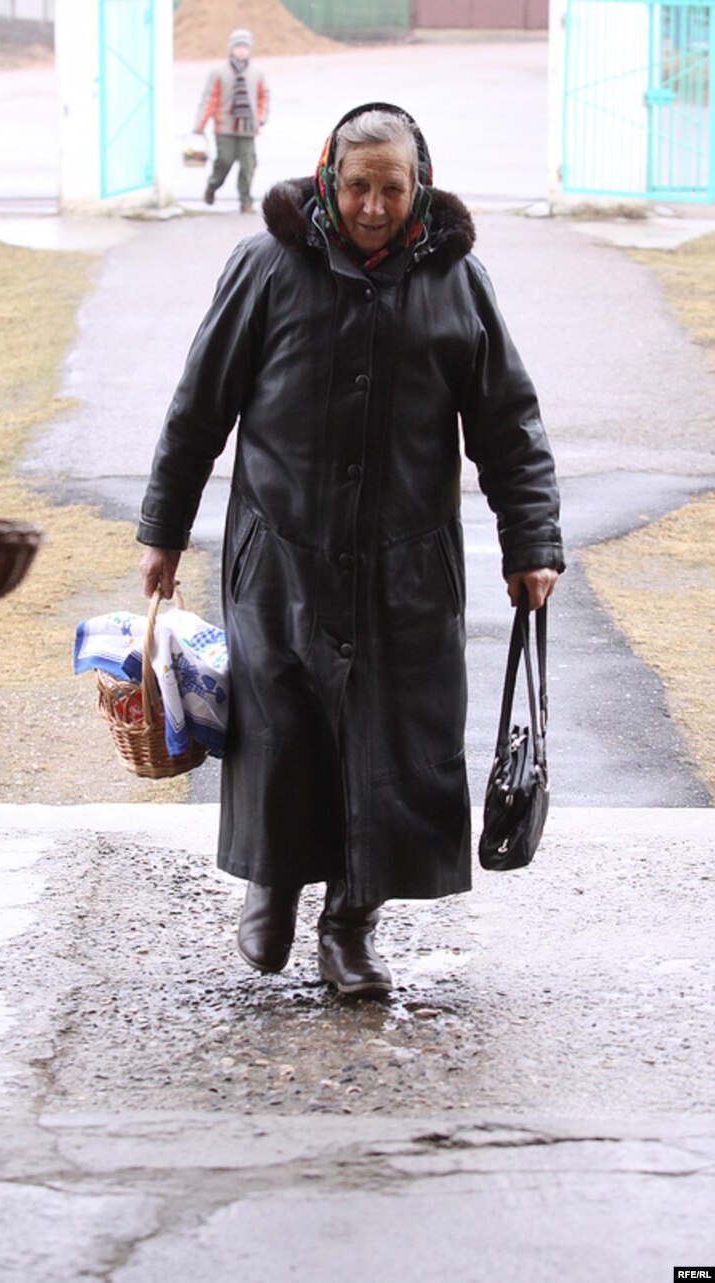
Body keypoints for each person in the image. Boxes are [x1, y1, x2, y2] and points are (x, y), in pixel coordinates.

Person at [138, 103, 564, 998]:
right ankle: (272, 884)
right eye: (358, 185)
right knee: (282, 732)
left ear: (421, 186)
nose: (373, 206)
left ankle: (351, 924)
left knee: (386, 748)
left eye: (392, 188)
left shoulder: (459, 283)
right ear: (330, 178)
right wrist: (164, 530)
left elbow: (508, 425)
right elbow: (199, 406)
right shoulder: (266, 266)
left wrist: (531, 542)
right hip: (280, 555)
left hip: (406, 566)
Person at [194, 28, 269, 214]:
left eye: (245, 47)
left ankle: (246, 202)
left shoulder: (257, 73)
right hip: (225, 128)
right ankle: (213, 186)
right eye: (238, 46)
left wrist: (261, 117)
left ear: (249, 49)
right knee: (224, 162)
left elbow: (263, 97)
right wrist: (200, 125)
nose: (241, 50)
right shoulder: (219, 72)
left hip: (248, 128)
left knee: (248, 166)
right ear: (231, 48)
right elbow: (209, 99)